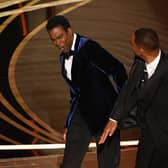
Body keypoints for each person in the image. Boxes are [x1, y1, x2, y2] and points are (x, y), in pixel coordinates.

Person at [46, 15, 127, 168]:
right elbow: (75, 93)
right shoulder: (63, 58)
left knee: (108, 165)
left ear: (69, 31)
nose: (58, 43)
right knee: (69, 164)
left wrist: (119, 110)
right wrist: (69, 123)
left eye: (60, 37)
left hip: (104, 116)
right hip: (81, 114)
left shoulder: (89, 48)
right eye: (54, 40)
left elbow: (117, 69)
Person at [99, 28, 168, 168]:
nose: (131, 46)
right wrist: (114, 118)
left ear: (141, 49)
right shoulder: (139, 62)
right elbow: (129, 89)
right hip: (147, 133)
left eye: (132, 44)